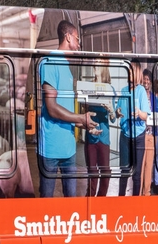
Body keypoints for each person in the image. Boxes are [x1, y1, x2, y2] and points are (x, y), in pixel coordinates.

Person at [38, 20, 95, 197]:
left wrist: (83, 124)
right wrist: (80, 118)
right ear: (68, 37)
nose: (79, 44)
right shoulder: (50, 61)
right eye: (77, 39)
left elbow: (65, 109)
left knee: (71, 201)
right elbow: (52, 108)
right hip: (51, 149)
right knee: (46, 201)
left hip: (69, 148)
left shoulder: (67, 68)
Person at [118, 61, 150, 196]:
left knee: (136, 175)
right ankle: (120, 200)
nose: (129, 72)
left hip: (138, 138)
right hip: (125, 137)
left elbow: (145, 115)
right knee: (124, 173)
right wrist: (117, 112)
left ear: (136, 73)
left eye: (131, 70)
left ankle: (135, 202)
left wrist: (139, 113)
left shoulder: (141, 90)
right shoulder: (123, 90)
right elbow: (118, 111)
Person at [83, 65, 115, 196]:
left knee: (105, 172)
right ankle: (90, 200)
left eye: (98, 64)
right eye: (94, 65)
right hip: (91, 135)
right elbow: (83, 111)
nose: (95, 66)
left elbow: (113, 118)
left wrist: (111, 110)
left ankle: (101, 199)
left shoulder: (110, 89)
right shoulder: (88, 87)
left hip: (104, 136)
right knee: (92, 171)